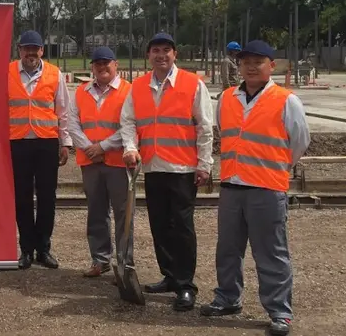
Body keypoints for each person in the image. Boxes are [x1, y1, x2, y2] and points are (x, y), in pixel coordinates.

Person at [200, 40, 309, 336]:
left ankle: (279, 312)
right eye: (245, 61)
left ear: (271, 66)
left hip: (266, 188)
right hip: (233, 186)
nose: (250, 66)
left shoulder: (287, 101)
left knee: (271, 252)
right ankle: (227, 298)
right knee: (228, 249)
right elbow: (227, 133)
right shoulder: (227, 98)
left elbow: (298, 144)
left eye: (258, 61)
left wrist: (273, 166)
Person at [120, 32, 214, 311]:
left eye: (166, 50)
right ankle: (170, 276)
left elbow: (205, 127)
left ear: (175, 54)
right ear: (148, 55)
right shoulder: (137, 87)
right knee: (159, 225)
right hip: (152, 167)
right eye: (155, 50)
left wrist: (205, 164)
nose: (161, 55)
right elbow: (127, 121)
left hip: (183, 168)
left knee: (182, 228)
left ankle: (186, 285)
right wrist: (129, 147)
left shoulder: (192, 84)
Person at [8, 30, 73, 270]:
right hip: (18, 142)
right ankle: (26, 249)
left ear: (42, 51)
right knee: (22, 197)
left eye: (35, 48)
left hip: (46, 142)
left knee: (47, 197)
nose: (31, 52)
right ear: (20, 49)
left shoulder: (55, 74)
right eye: (26, 48)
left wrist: (65, 143)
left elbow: (63, 111)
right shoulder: (7, 72)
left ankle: (43, 248)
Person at [67, 47, 134, 277]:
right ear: (92, 67)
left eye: (107, 63)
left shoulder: (128, 92)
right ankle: (100, 259)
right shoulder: (81, 92)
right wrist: (88, 148)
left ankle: (125, 265)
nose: (102, 67)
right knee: (96, 212)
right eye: (97, 64)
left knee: (123, 215)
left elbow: (130, 126)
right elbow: (72, 123)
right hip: (91, 162)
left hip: (118, 162)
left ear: (116, 65)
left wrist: (102, 147)